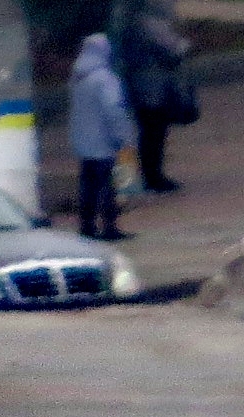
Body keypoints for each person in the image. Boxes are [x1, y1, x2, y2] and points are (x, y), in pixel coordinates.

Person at [67, 34, 135, 241]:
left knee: (87, 187)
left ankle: (87, 226)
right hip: (105, 143)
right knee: (108, 187)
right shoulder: (105, 79)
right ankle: (109, 227)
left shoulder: (77, 77)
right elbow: (113, 110)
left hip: (84, 144)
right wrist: (124, 137)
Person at [122, 0, 194, 194]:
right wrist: (184, 44)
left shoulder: (140, 20)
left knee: (154, 133)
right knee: (153, 134)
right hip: (151, 88)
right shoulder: (148, 22)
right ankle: (152, 177)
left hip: (150, 86)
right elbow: (173, 48)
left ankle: (153, 174)